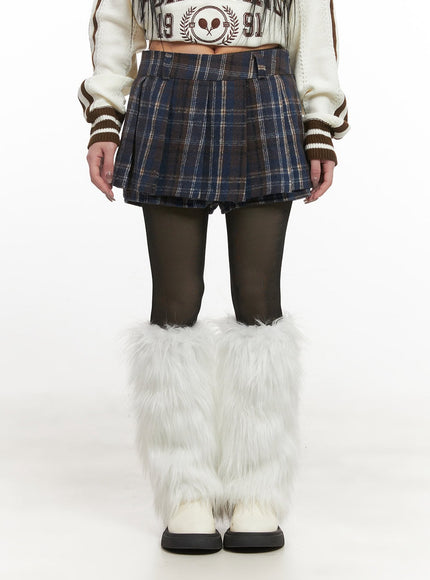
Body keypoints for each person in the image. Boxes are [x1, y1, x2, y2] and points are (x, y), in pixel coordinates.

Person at [78, 0, 350, 554]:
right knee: (175, 301)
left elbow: (311, 21)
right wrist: (106, 115)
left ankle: (257, 489)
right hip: (167, 87)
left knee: (258, 298)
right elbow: (115, 21)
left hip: (264, 89)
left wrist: (319, 121)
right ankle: (186, 491)